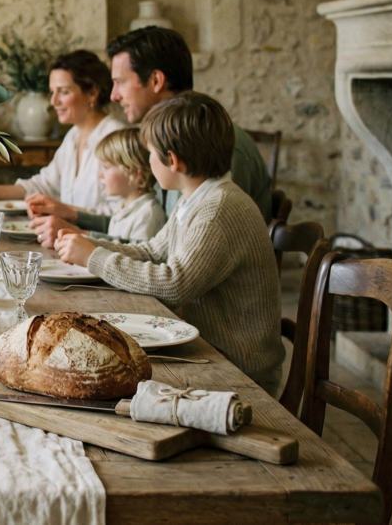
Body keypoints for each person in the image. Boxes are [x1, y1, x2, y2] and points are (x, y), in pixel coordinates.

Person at [54, 92, 283, 389]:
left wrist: (93, 258)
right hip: (208, 351)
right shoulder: (195, 200)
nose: (148, 162)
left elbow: (175, 285)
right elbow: (152, 251)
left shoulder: (218, 208)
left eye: (149, 153)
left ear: (172, 161)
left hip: (237, 370)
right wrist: (90, 246)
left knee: (104, 375)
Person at [30, 27, 272, 245]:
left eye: (120, 82)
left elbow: (184, 256)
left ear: (156, 80)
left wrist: (87, 239)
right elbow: (154, 236)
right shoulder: (162, 143)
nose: (113, 96)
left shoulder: (220, 148)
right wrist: (75, 220)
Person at [0, 50, 125, 213]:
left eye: (64, 92)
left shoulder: (117, 137)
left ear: (92, 93)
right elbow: (44, 184)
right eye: (52, 92)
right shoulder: (73, 136)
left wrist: (64, 211)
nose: (54, 101)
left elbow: (122, 211)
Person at [95, 128, 166, 241]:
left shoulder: (148, 214)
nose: (100, 175)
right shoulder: (122, 206)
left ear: (135, 173)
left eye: (106, 168)